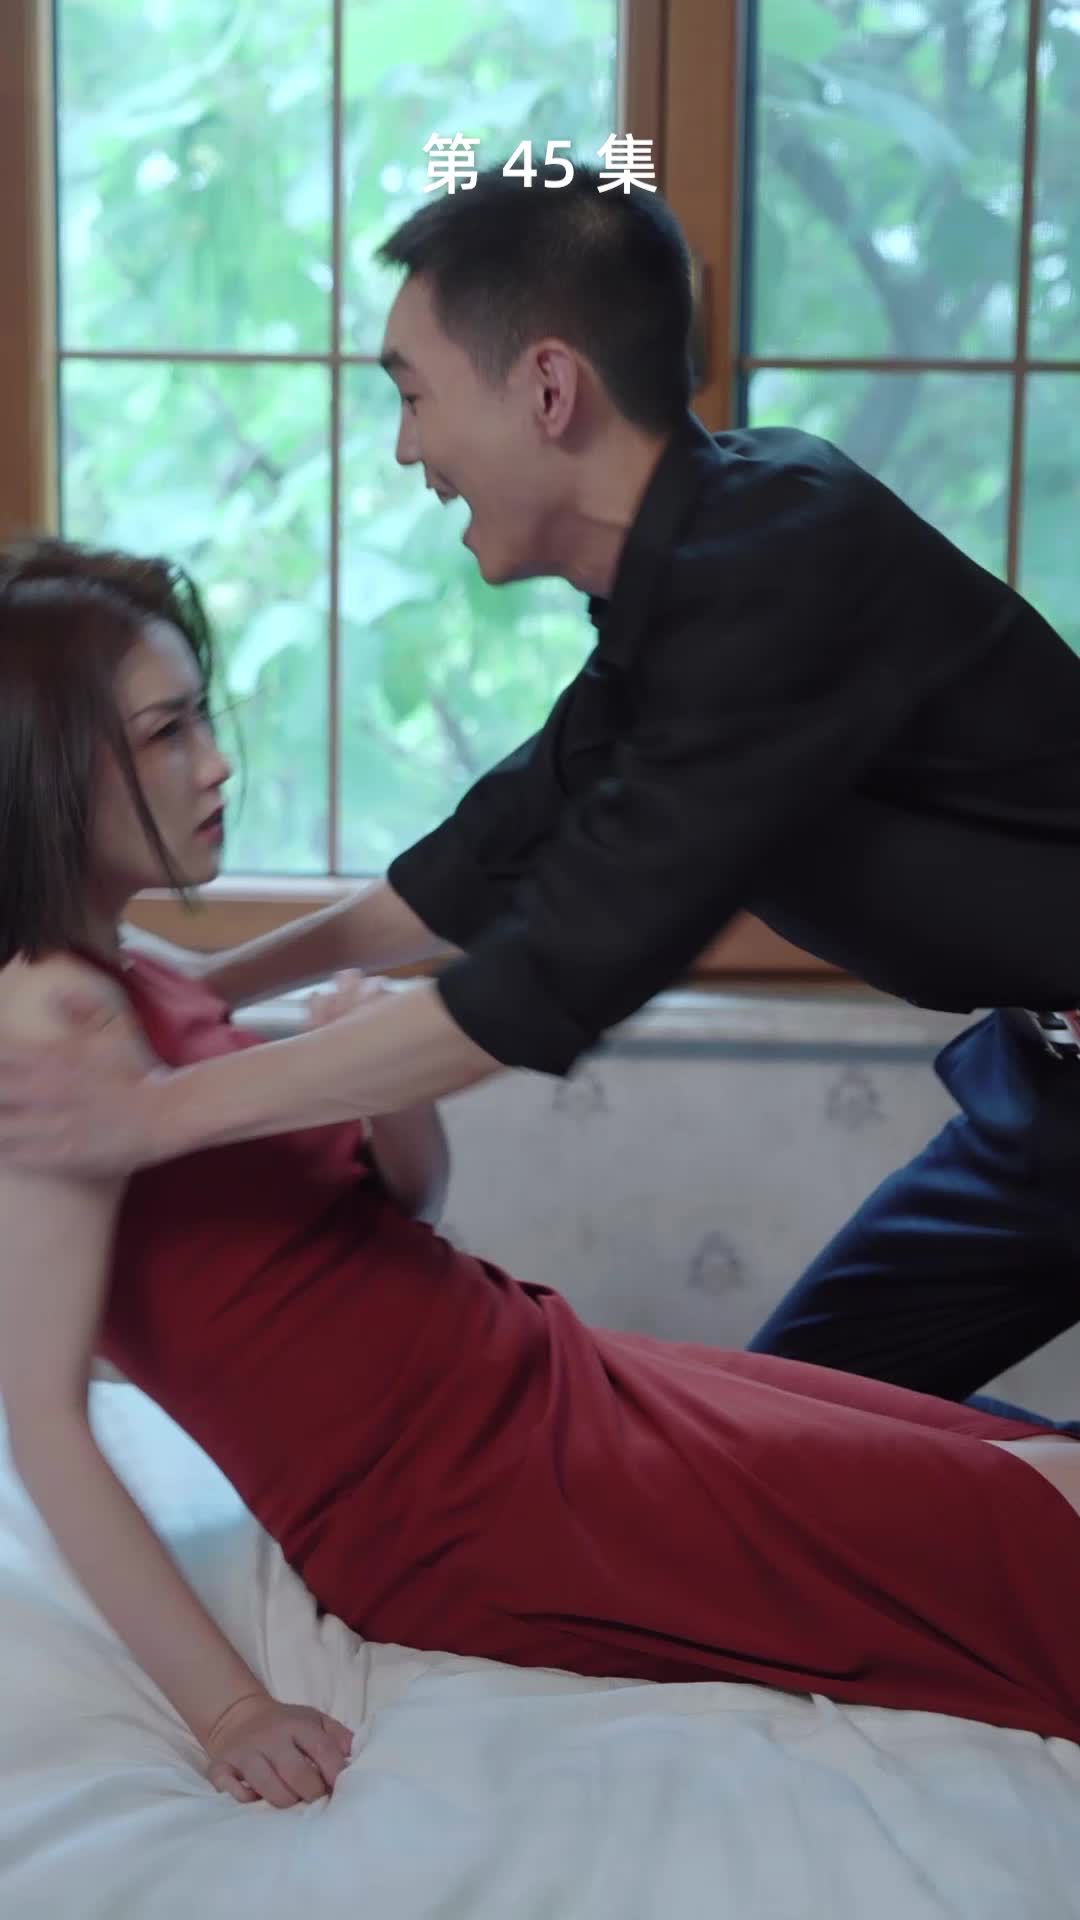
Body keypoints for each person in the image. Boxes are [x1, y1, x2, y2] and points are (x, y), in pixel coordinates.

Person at [5, 537, 1080, 1823]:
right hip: (455, 1496)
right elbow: (42, 1414)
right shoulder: (48, 1025)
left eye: (203, 717)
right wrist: (232, 1711)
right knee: (1014, 1544)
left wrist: (382, 1087)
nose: (217, 761)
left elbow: (396, 1216)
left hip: (532, 1369)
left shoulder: (144, 973)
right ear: (45, 769)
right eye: (167, 732)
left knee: (1013, 1459)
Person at [4, 162, 1080, 1417]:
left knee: (830, 1468)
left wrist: (149, 1115)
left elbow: (537, 980)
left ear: (549, 388)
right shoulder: (693, 576)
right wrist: (201, 991)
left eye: (416, 397)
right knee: (788, 1431)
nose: (409, 450)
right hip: (1049, 1093)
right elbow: (490, 855)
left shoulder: (778, 570)